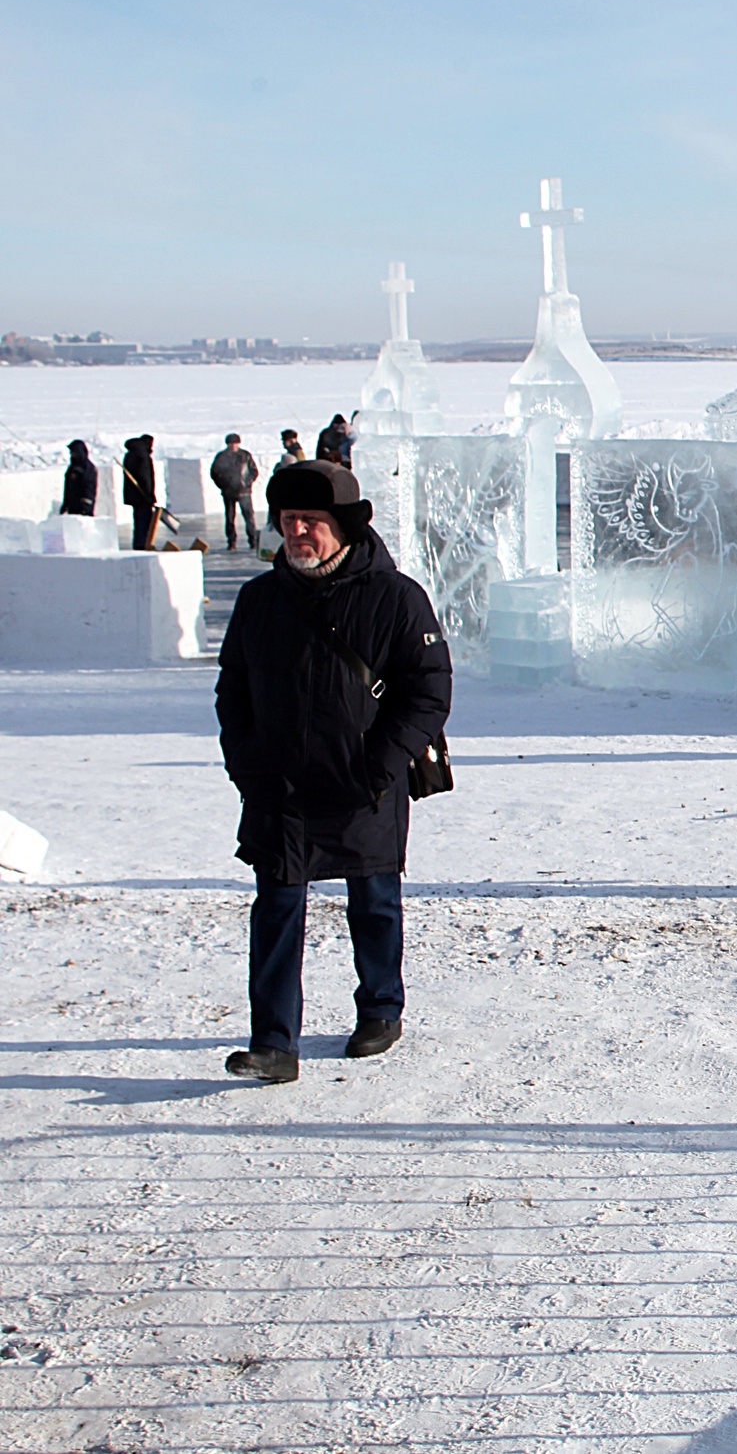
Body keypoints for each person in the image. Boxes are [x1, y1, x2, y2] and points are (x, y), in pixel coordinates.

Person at [214, 460, 452, 1083]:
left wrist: (381, 764)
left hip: (362, 781)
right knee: (276, 908)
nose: (297, 533)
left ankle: (380, 1008)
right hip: (280, 787)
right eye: (289, 520)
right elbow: (232, 689)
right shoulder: (260, 599)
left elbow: (428, 692)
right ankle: (273, 1043)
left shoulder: (396, 597)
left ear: (341, 527)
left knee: (373, 904)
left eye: (311, 522)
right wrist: (245, 760)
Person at [211, 433, 262, 553]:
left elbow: (254, 471)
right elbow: (214, 473)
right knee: (229, 517)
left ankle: (253, 540)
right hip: (229, 492)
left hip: (244, 491)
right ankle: (231, 541)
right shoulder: (222, 456)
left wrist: (247, 482)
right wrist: (223, 485)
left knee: (249, 517)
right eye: (230, 443)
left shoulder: (245, 455)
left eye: (235, 443)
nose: (233, 446)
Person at [121, 434, 159, 550]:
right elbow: (145, 476)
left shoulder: (130, 454)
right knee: (144, 521)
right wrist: (149, 495)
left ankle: (139, 543)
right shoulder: (142, 456)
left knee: (138, 521)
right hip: (143, 496)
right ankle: (143, 544)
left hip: (133, 495)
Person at [59, 439, 97, 517]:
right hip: (72, 504)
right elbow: (68, 487)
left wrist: (86, 503)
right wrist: (65, 504)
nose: (72, 454)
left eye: (73, 452)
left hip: (83, 505)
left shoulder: (87, 467)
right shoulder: (72, 467)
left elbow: (89, 486)